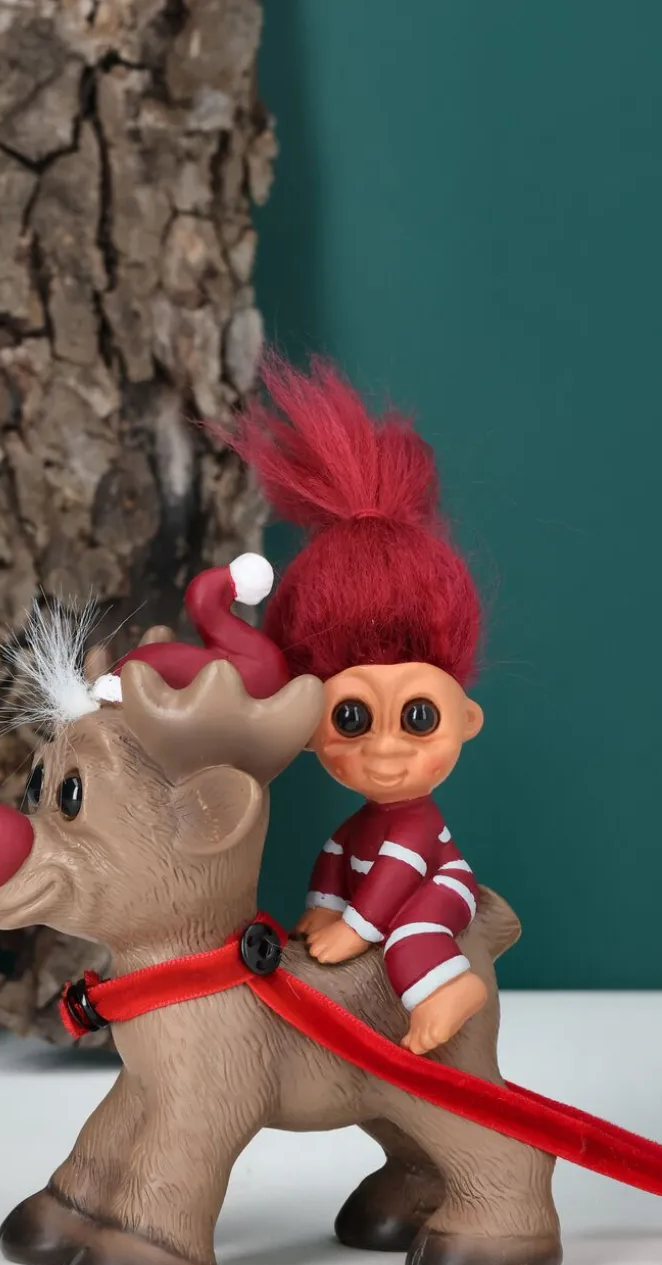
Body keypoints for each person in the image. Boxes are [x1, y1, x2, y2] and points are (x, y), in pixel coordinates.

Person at [220, 356, 488, 1055]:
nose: (386, 750)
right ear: (311, 729)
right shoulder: (358, 827)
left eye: (419, 717)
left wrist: (357, 928)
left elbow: (397, 873)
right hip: (370, 896)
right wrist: (322, 907)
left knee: (412, 934)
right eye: (351, 719)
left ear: (466, 719)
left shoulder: (413, 829)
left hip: (439, 885)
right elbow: (338, 857)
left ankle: (449, 990)